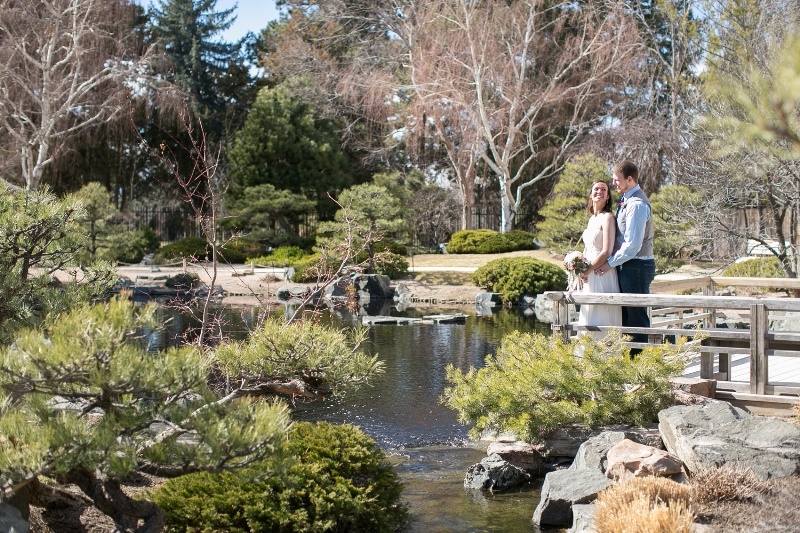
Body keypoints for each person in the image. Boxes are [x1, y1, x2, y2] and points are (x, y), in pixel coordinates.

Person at [595, 160, 655, 348]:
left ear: (629, 179)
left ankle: (639, 367)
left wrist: (609, 263)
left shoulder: (636, 204)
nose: (614, 183)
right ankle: (630, 363)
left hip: (637, 266)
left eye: (617, 180)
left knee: (636, 318)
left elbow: (632, 246)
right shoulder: (627, 200)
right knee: (628, 317)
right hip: (630, 265)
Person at [577, 180, 622, 339]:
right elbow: (588, 247)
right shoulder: (591, 219)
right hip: (589, 273)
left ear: (608, 196)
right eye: (596, 189)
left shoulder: (608, 218)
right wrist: (578, 264)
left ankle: (604, 356)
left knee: (601, 313)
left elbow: (607, 251)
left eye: (604, 189)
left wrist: (588, 269)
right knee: (589, 311)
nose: (599, 192)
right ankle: (587, 355)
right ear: (591, 194)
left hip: (601, 272)